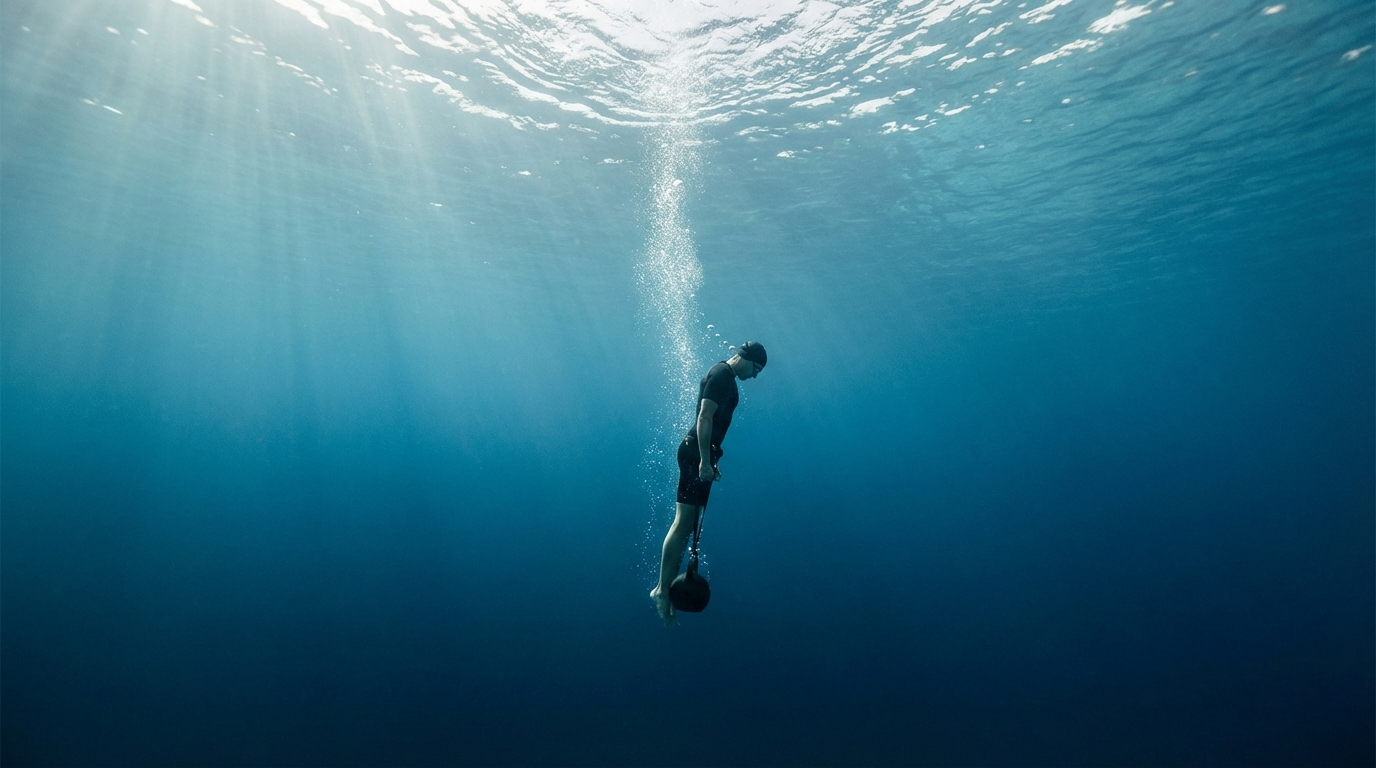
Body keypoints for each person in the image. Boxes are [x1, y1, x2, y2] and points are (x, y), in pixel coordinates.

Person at [651, 340, 768, 625]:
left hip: (702, 455)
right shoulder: (721, 375)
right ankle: (661, 590)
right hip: (695, 454)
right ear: (747, 358)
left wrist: (711, 460)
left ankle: (666, 586)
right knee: (682, 523)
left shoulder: (727, 377)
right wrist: (704, 460)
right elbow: (704, 417)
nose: (755, 376)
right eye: (756, 369)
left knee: (688, 524)